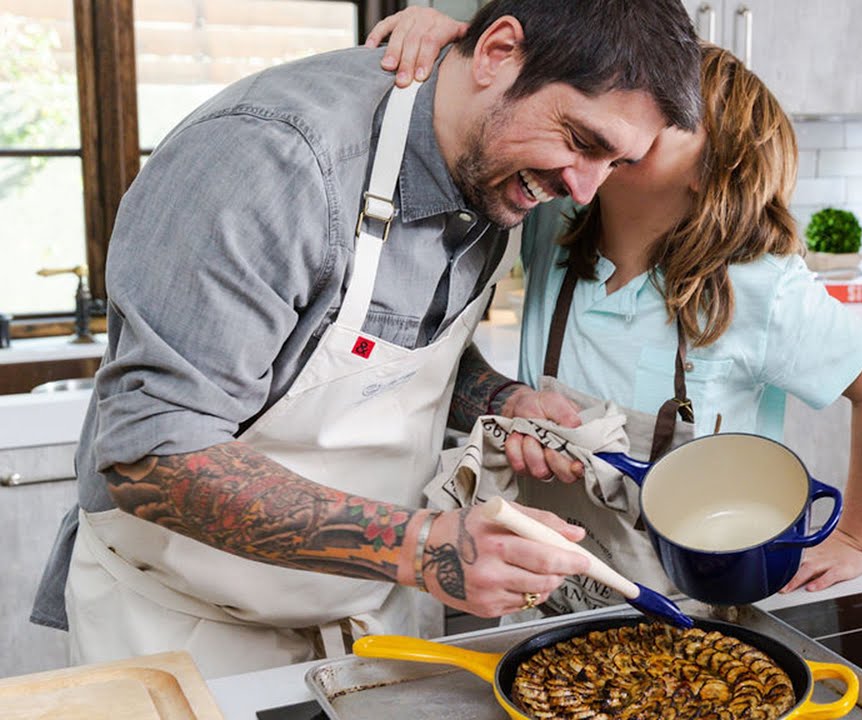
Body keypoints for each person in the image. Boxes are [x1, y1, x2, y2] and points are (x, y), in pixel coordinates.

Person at [30, 0, 702, 678]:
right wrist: (421, 547)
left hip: (370, 615)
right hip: (188, 629)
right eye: (583, 141)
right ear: (498, 52)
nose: (583, 191)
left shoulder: (495, 168)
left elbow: (396, 356)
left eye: (614, 163)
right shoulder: (272, 162)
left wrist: (500, 399)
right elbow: (151, 455)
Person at [370, 10, 862, 601]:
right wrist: (450, 33)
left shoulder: (758, 287)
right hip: (550, 589)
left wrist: (860, 537)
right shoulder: (552, 219)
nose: (631, 115)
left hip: (692, 606)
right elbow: (500, 100)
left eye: (667, 114)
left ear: (712, 170)